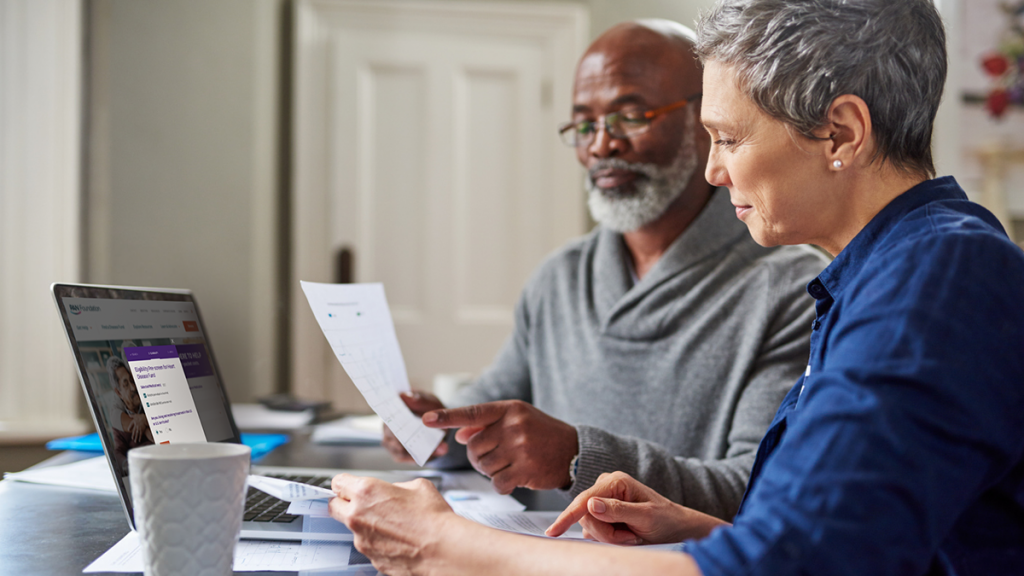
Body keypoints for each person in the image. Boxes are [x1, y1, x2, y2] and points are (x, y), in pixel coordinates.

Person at [327, 1, 1024, 574]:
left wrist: (449, 545)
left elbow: (792, 564)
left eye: (726, 137)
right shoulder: (880, 274)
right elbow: (845, 532)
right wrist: (687, 525)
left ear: (840, 132)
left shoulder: (934, 280)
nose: (715, 172)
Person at [383, 19, 827, 520]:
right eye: (584, 124)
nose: (600, 145)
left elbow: (757, 485)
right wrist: (436, 427)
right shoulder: (560, 278)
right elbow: (491, 417)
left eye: (631, 116)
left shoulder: (793, 289)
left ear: (706, 122)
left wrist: (578, 458)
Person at [104, 355, 153, 468]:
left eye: (132, 380)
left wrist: (145, 419)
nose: (133, 387)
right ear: (119, 393)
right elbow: (118, 451)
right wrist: (127, 465)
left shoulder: (150, 401)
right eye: (126, 384)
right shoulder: (119, 418)